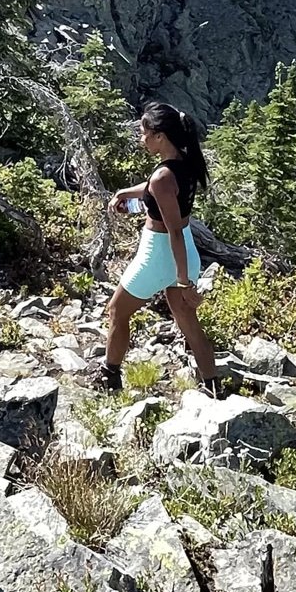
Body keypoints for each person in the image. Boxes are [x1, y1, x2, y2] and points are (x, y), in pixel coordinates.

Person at [100, 100, 219, 394]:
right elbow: (158, 194)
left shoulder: (162, 176)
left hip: (160, 255)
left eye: (144, 133)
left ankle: (109, 378)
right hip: (183, 252)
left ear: (159, 136)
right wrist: (124, 192)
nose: (142, 139)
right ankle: (214, 387)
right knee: (188, 322)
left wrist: (184, 281)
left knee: (117, 310)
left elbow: (172, 231)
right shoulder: (184, 162)